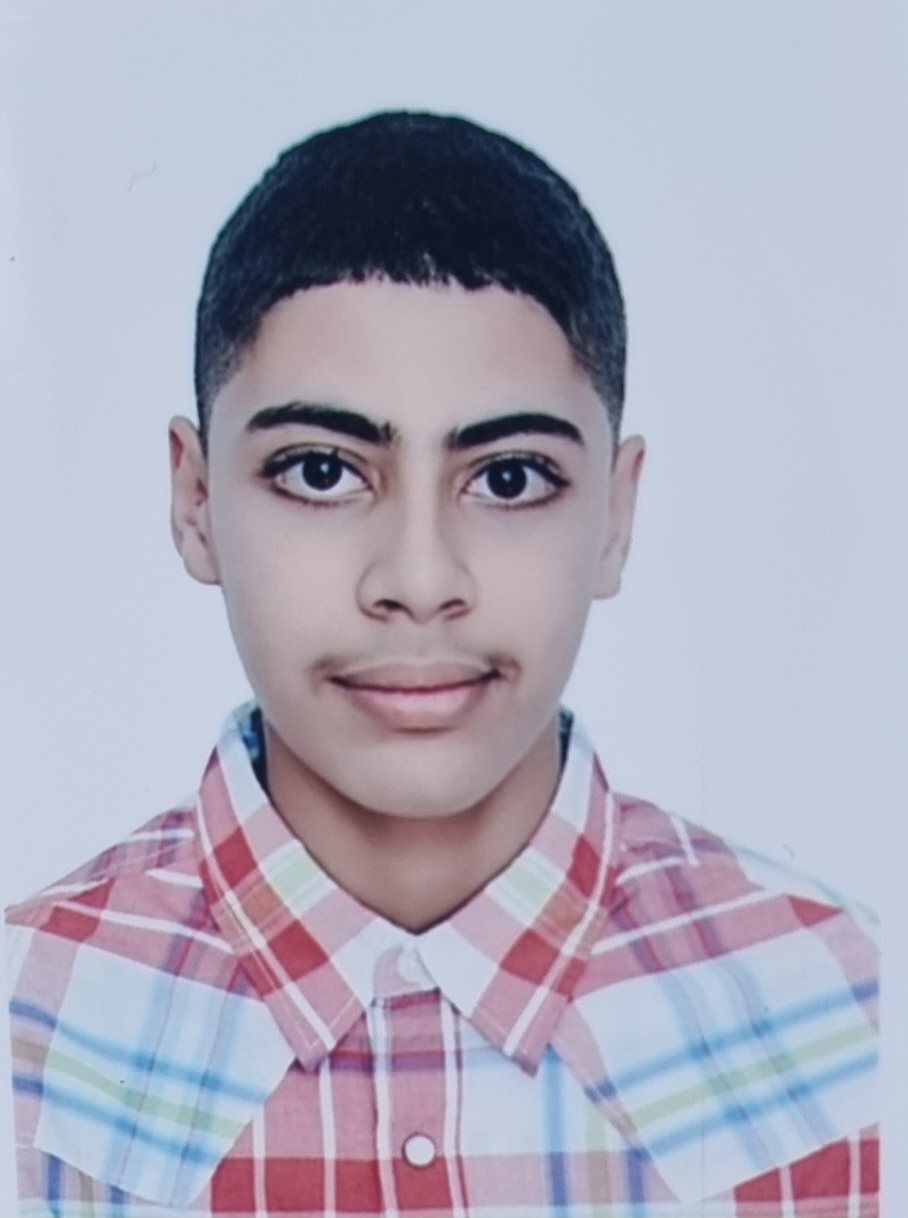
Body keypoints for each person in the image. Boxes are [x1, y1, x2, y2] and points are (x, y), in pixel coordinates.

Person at [4, 111, 878, 1216]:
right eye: (321, 470)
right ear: (194, 500)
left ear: (615, 518)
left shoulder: (850, 1023)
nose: (418, 580)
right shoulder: (25, 1034)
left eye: (508, 479)